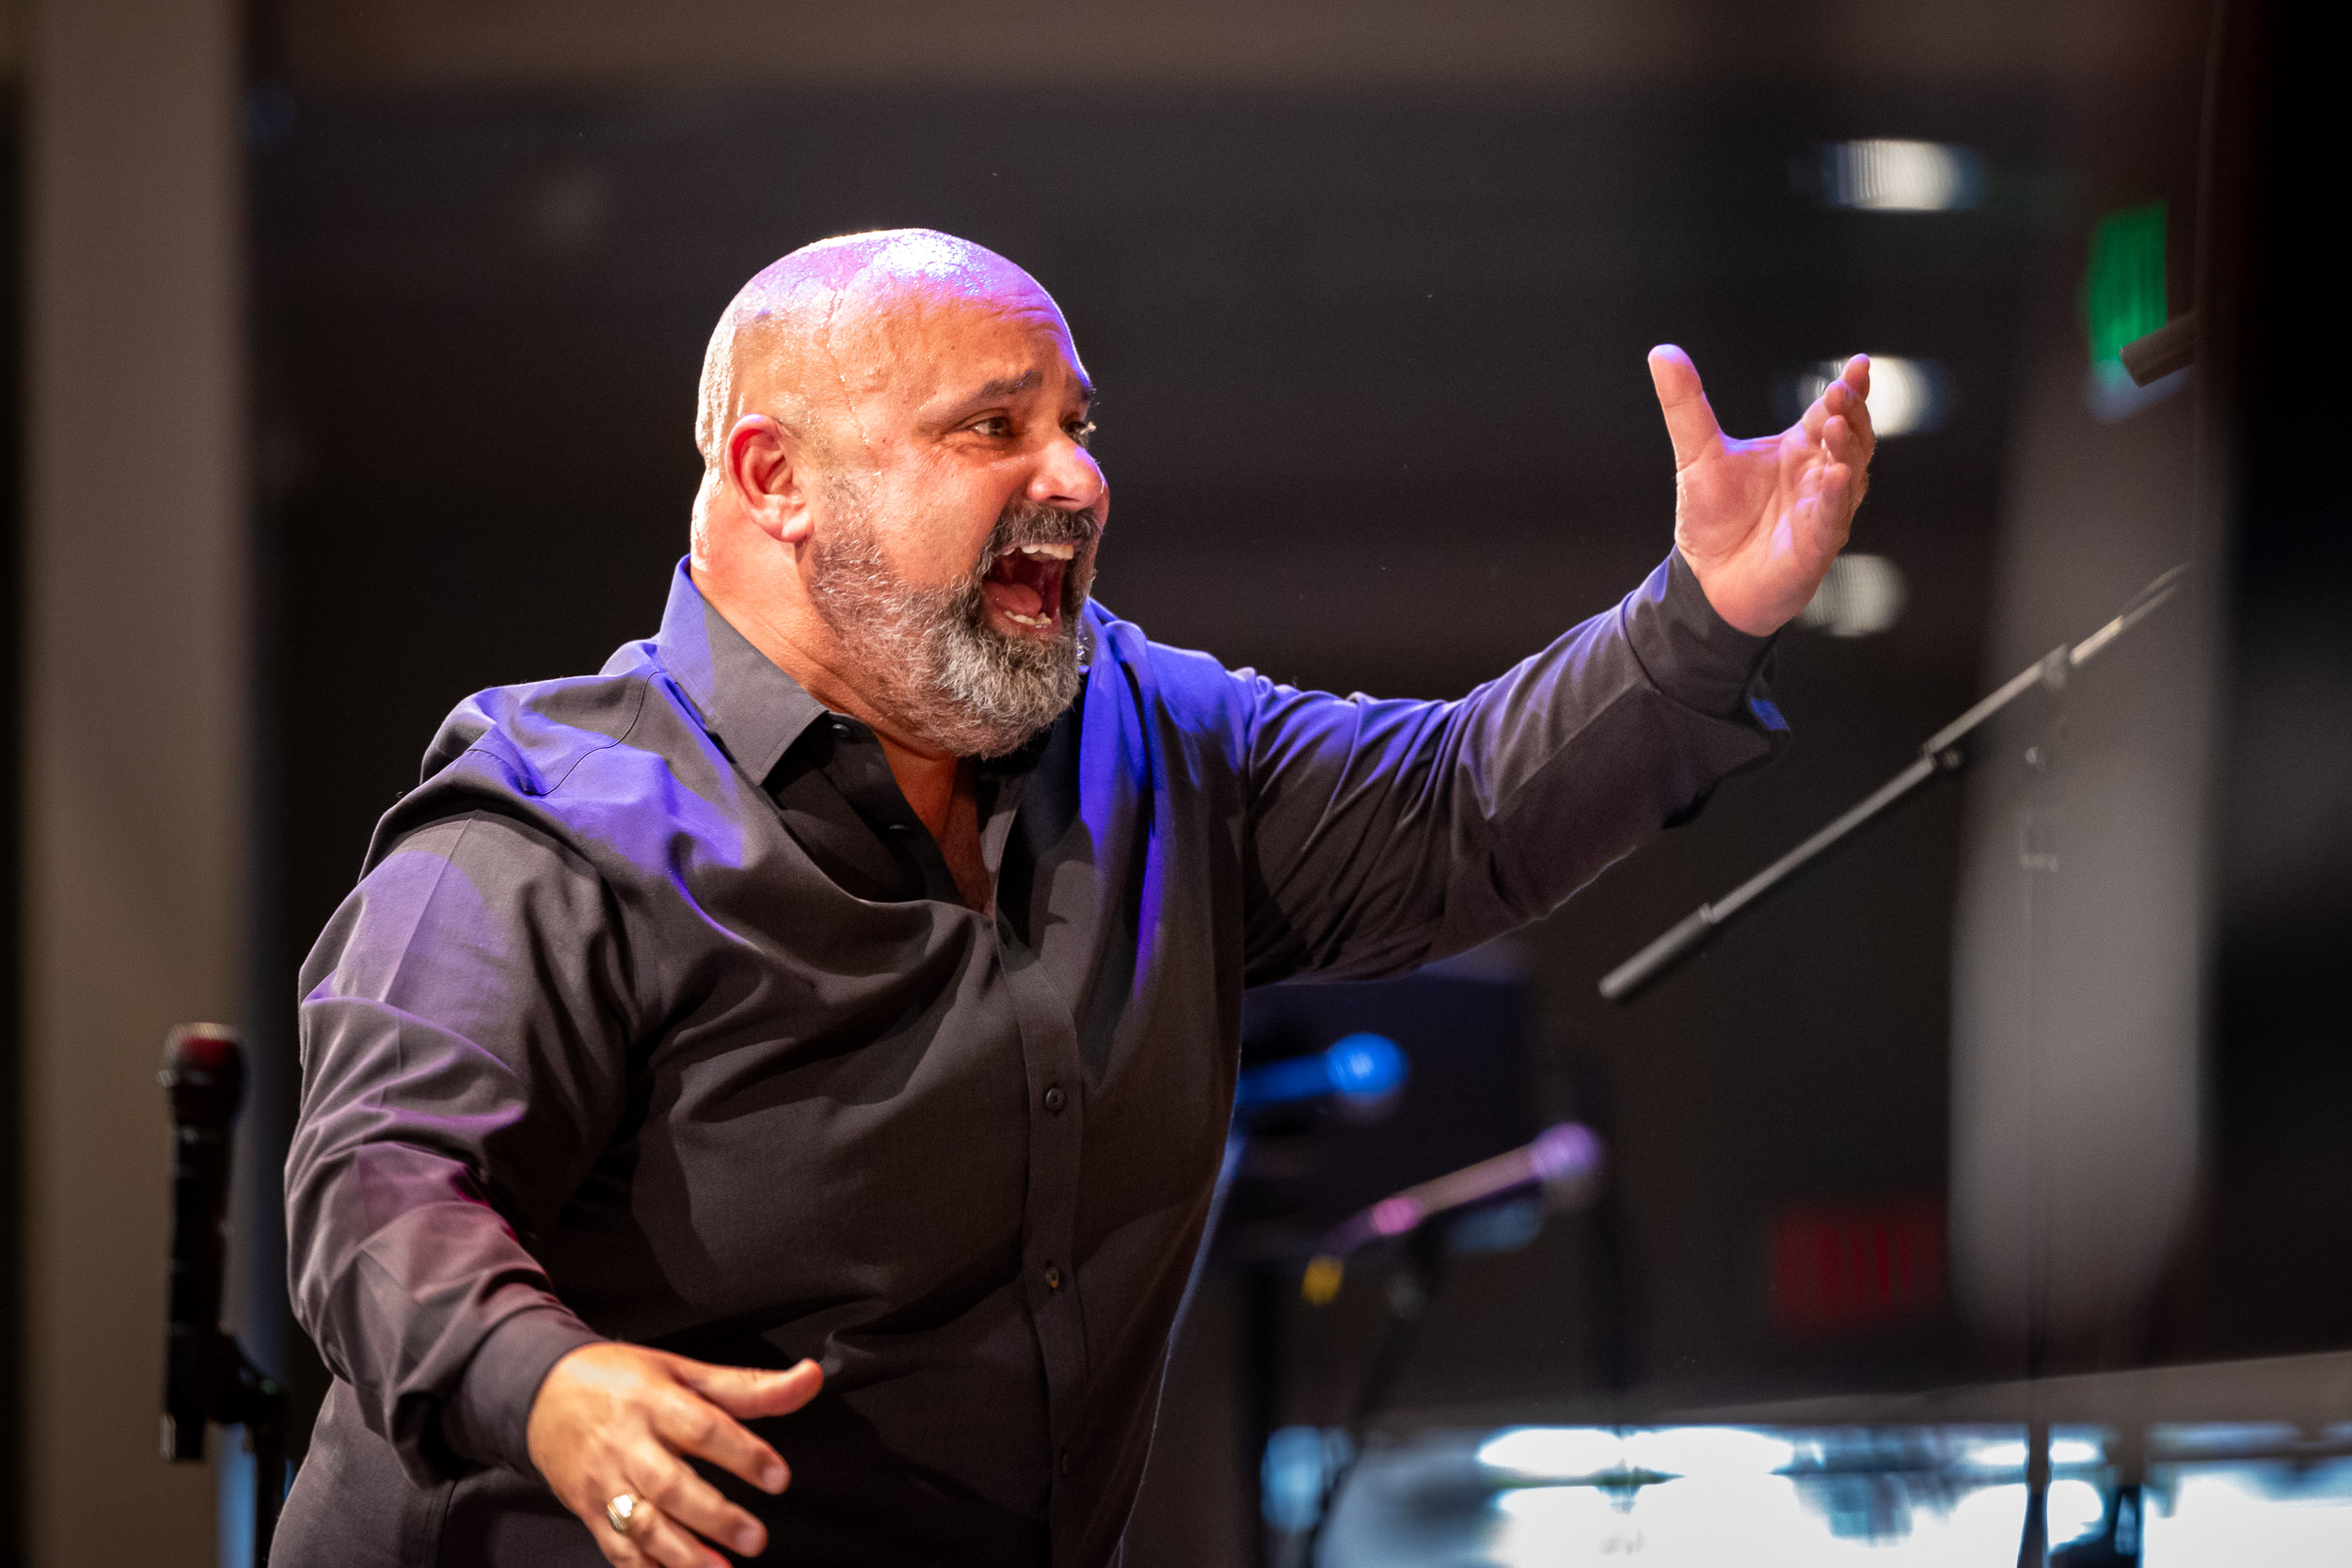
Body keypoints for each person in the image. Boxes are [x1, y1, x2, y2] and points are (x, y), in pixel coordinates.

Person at [278, 228, 1872, 1568]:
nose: (1080, 479)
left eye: (1079, 422)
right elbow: (382, 1184)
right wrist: (547, 1386)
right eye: (995, 428)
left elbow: (1456, 806)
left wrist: (1702, 621)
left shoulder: (1148, 731)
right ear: (777, 478)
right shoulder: (554, 826)